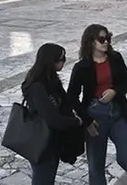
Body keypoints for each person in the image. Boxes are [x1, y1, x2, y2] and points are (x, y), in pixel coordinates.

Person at [68, 24, 127, 185]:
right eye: (101, 39)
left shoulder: (115, 58)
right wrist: (87, 121)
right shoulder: (82, 67)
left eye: (108, 38)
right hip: (95, 116)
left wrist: (115, 91)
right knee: (96, 166)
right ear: (91, 42)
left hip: (117, 111)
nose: (106, 42)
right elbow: (72, 97)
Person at [22, 44, 83, 185]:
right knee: (43, 179)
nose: (64, 61)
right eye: (61, 59)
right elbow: (52, 118)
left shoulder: (51, 80)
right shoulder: (38, 86)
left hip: (53, 141)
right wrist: (76, 122)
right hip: (43, 143)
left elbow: (65, 102)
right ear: (51, 61)